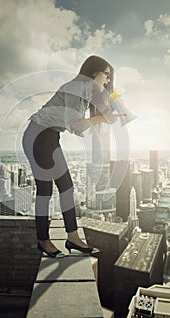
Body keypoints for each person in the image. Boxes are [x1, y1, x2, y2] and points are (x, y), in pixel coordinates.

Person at [22, 55, 118, 258]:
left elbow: (75, 125)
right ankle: (43, 240)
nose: (108, 81)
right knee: (45, 190)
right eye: (106, 75)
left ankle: (72, 237)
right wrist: (101, 118)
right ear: (94, 72)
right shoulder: (76, 87)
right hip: (38, 136)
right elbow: (75, 125)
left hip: (50, 136)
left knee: (66, 187)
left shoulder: (85, 91)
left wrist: (104, 113)